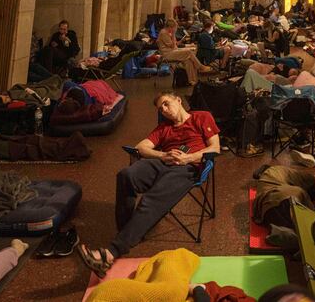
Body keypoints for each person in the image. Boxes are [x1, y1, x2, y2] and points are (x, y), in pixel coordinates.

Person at [78, 92, 220, 277]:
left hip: (189, 167)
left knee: (151, 199)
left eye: (166, 104)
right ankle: (128, 230)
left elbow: (215, 148)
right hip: (164, 162)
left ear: (178, 100)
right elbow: (141, 147)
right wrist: (163, 155)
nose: (165, 110)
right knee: (126, 175)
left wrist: (188, 158)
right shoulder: (163, 128)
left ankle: (110, 253)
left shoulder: (201, 117)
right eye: (161, 109)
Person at [157, 19, 212, 85]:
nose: (175, 30)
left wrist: (181, 41)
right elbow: (172, 45)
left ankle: (193, 81)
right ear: (170, 27)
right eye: (174, 28)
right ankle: (200, 67)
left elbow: (174, 45)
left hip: (172, 51)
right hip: (167, 54)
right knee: (188, 52)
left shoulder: (166, 32)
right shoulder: (164, 33)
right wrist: (174, 34)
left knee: (188, 60)